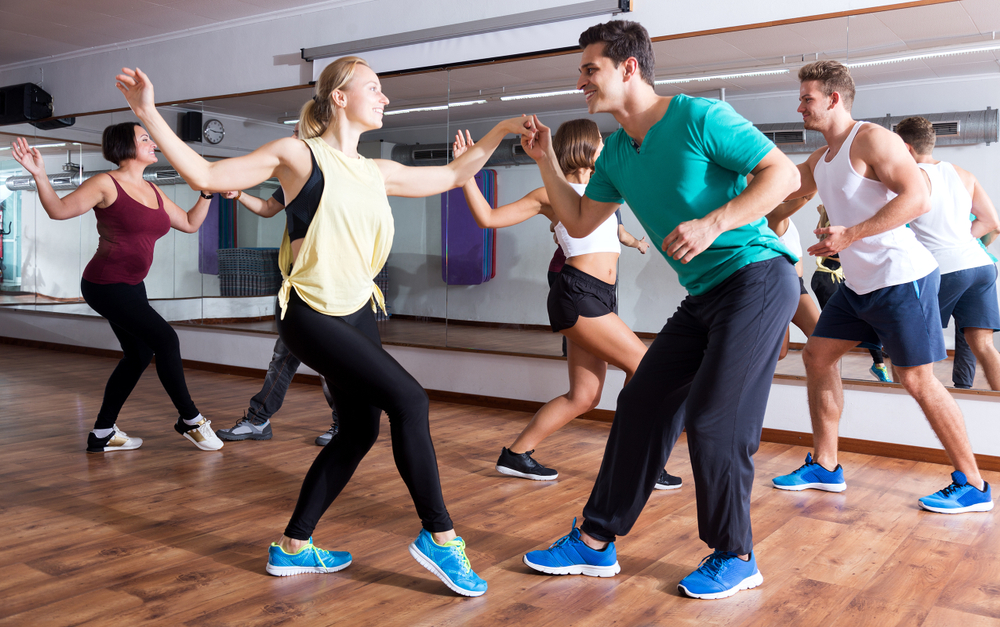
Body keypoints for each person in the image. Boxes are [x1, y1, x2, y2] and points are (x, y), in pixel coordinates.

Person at [116, 57, 532, 596]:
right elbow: (207, 176)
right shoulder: (298, 155)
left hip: (358, 309)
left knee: (359, 430)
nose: (385, 99)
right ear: (339, 96)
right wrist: (147, 112)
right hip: (311, 313)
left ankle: (294, 546)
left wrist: (500, 129)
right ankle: (440, 537)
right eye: (375, 89)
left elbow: (455, 174)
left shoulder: (375, 169)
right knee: (412, 401)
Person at [518, 20, 801, 600]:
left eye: (589, 69)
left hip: (759, 280)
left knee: (714, 419)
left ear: (628, 68)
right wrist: (546, 158)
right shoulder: (618, 153)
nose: (580, 82)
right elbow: (576, 222)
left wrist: (715, 221)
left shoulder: (699, 117)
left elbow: (785, 173)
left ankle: (736, 553)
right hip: (704, 295)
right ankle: (595, 541)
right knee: (644, 400)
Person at [772, 61, 992, 514]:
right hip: (859, 286)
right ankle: (826, 465)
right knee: (816, 355)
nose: (800, 108)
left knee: (915, 379)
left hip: (902, 279)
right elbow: (786, 186)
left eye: (807, 99)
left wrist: (850, 234)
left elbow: (918, 196)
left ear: (834, 99)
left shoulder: (871, 139)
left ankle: (973, 483)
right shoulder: (822, 159)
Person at [452, 121, 680, 490]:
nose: (605, 148)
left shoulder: (608, 189)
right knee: (645, 366)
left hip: (601, 297)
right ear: (587, 146)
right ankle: (639, 464)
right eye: (601, 142)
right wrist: (464, 175)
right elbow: (489, 218)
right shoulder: (552, 194)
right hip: (577, 293)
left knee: (584, 396)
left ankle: (516, 454)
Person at [10, 125, 224, 453]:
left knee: (138, 353)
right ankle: (190, 420)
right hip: (105, 283)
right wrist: (40, 174)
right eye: (145, 139)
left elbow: (191, 223)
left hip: (132, 284)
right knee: (166, 339)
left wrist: (207, 193)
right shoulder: (105, 184)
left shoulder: (153, 190)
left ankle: (102, 433)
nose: (153, 143)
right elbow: (58, 210)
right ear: (126, 146)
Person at [214, 125, 341, 446]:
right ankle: (258, 420)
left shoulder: (338, 176)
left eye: (299, 134)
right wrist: (240, 194)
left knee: (329, 360)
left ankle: (345, 423)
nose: (292, 141)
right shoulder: (294, 180)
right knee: (285, 356)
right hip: (298, 283)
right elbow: (269, 209)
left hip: (331, 283)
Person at [895, 116, 1000, 390]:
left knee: (906, 343)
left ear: (905, 148)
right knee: (984, 345)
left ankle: (901, 409)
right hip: (980, 266)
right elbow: (992, 222)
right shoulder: (963, 174)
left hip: (942, 270)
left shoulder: (910, 176)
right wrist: (959, 241)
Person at [809, 204, 892, 382]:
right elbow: (835, 250)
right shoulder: (836, 224)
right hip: (827, 278)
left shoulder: (841, 222)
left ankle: (878, 365)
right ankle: (829, 370)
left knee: (868, 320)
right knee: (834, 329)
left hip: (838, 277)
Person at [767, 193, 821, 360]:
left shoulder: (786, 217)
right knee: (779, 353)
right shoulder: (774, 215)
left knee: (822, 337)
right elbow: (806, 196)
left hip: (797, 285)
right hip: (779, 286)